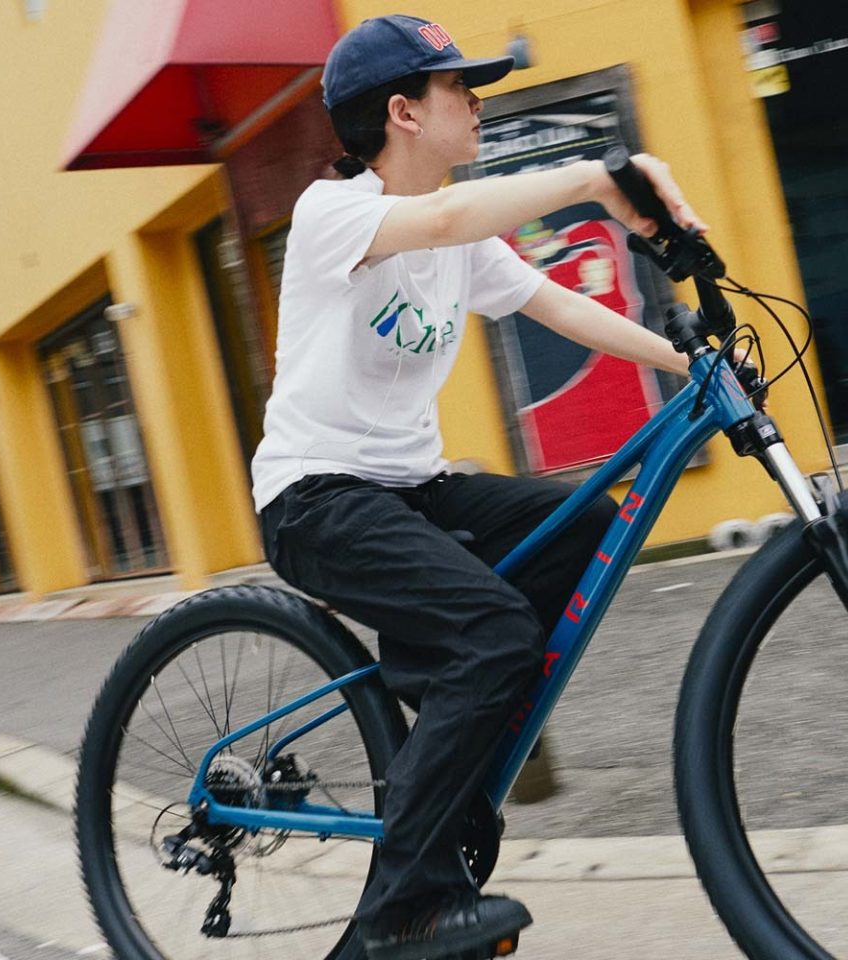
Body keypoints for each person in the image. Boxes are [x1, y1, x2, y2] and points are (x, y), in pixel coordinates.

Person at [251, 15, 707, 959]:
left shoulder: (461, 240)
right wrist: (593, 177)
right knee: (493, 634)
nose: (478, 99)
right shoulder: (334, 211)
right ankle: (404, 909)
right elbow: (455, 217)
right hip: (317, 498)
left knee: (589, 528)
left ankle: (446, 723)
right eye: (461, 87)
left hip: (410, 489)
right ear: (403, 112)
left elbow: (561, 303)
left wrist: (690, 364)